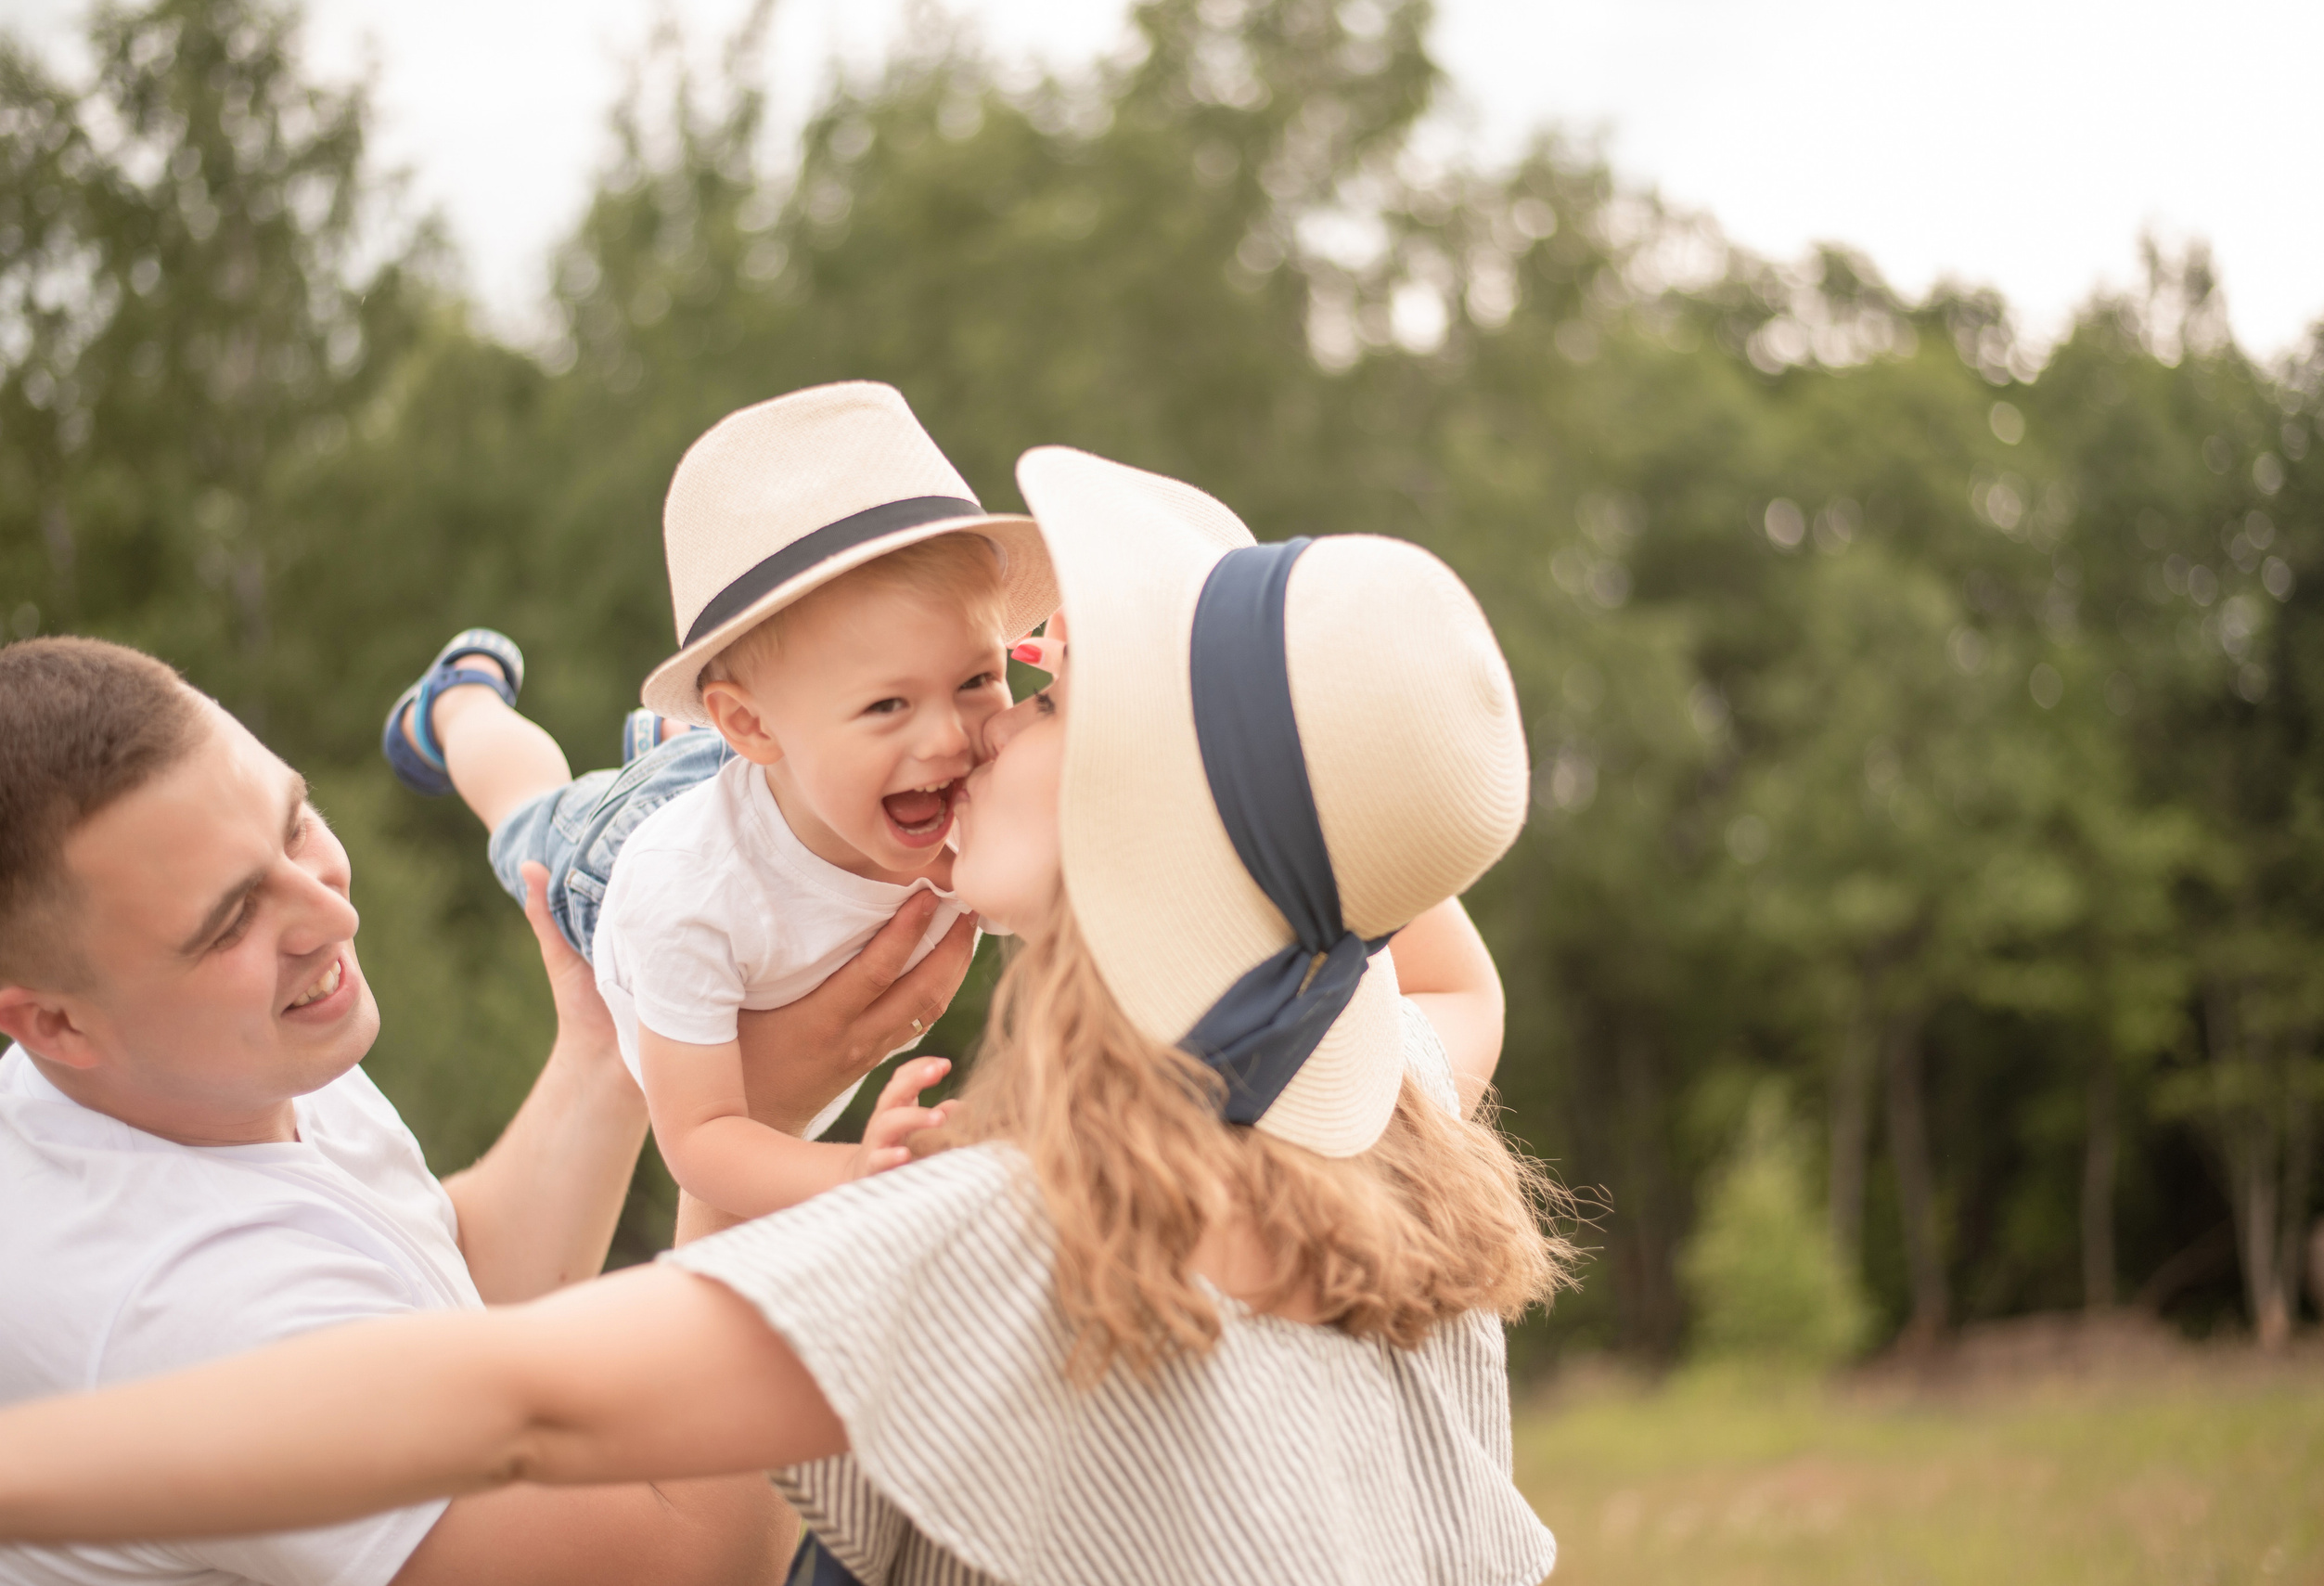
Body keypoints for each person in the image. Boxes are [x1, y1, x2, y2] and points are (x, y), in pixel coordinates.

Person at [0, 447, 1572, 1585]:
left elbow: (520, 1400)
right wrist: (1302, 744)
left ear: (1122, 811)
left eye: (1044, 690)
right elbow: (1426, 946)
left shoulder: (1004, 1240)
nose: (986, 719)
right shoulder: (1394, 1131)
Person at [0, 635, 977, 1586]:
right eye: (229, 921)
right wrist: (751, 1129)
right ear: (51, 1021)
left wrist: (614, 1055)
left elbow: (439, 1291)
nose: (329, 912)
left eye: (296, 822)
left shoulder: (196, 1045)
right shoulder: (182, 1322)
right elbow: (696, 1564)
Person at [381, 382, 1059, 1219]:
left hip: (781, 775)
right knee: (526, 804)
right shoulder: (684, 896)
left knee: (761, 777)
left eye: (978, 679)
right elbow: (701, 1140)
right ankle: (459, 702)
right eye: (889, 705)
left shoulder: (969, 802)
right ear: (752, 723)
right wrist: (853, 1174)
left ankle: (692, 749)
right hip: (620, 851)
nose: (949, 740)